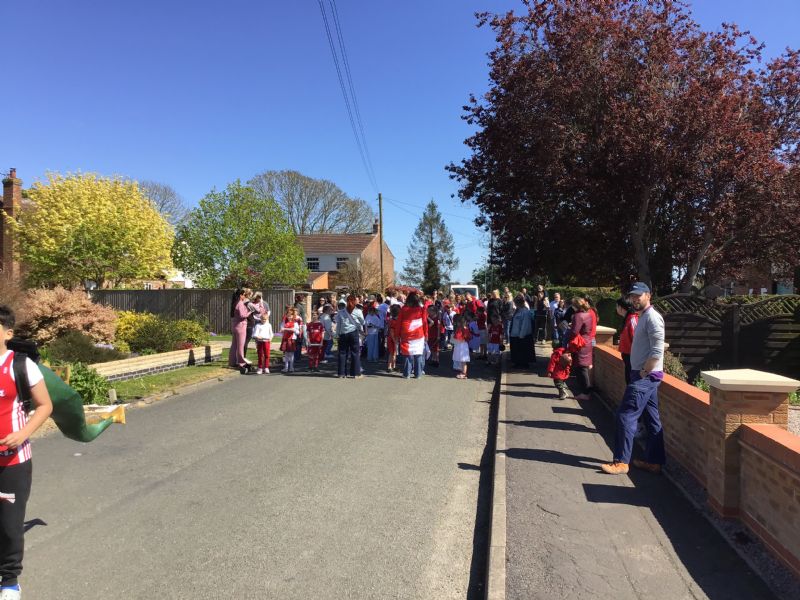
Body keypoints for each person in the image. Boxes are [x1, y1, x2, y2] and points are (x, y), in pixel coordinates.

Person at [0, 305, 54, 600]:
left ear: (8, 333)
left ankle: (9, 581)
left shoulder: (20, 365)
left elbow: (45, 405)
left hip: (13, 463)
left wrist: (22, 434)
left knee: (10, 525)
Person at [602, 282, 666, 475]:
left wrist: (644, 372)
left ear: (648, 295)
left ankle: (621, 462)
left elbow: (657, 350)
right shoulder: (643, 316)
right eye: (633, 296)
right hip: (646, 375)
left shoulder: (652, 318)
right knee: (652, 419)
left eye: (639, 295)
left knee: (625, 415)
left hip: (645, 376)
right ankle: (654, 462)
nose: (635, 299)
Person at [569, 297, 594, 400]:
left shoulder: (578, 316)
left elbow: (574, 332)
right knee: (583, 368)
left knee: (581, 369)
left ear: (575, 306)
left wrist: (570, 327)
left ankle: (585, 393)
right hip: (587, 342)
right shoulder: (588, 314)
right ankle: (585, 391)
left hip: (580, 344)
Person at [398, 292, 428, 379]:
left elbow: (399, 323)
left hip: (406, 333)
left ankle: (406, 373)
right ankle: (418, 374)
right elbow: (425, 323)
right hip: (419, 333)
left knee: (407, 353)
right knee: (418, 353)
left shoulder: (404, 309)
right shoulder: (421, 309)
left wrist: (397, 334)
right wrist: (426, 334)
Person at [335, 296, 365, 378]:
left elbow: (338, 324)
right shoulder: (358, 311)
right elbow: (363, 322)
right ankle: (356, 373)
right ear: (355, 301)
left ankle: (341, 373)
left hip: (343, 333)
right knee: (355, 353)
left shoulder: (341, 312)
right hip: (353, 333)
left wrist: (337, 334)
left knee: (342, 353)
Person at [229, 288, 253, 373]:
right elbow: (243, 315)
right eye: (243, 295)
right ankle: (241, 362)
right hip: (241, 326)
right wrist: (250, 312)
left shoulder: (234, 303)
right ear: (240, 295)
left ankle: (232, 362)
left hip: (235, 326)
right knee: (240, 346)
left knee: (234, 345)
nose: (244, 296)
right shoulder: (240, 303)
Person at [616, 297, 639, 384]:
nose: (616, 309)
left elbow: (636, 339)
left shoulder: (632, 319)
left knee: (631, 382)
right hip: (628, 357)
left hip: (632, 358)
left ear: (621, 307)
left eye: (617, 306)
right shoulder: (627, 319)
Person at [509, 295, 535, 368]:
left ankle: (523, 364)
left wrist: (521, 335)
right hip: (515, 334)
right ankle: (517, 363)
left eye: (515, 303)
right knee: (517, 351)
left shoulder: (525, 312)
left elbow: (525, 324)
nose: (515, 304)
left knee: (522, 351)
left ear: (519, 303)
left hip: (521, 335)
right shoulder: (517, 311)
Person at [280, 307, 300, 373]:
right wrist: (284, 330)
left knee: (291, 354)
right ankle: (286, 367)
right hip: (285, 339)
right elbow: (281, 330)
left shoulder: (295, 323)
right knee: (286, 354)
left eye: (291, 315)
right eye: (288, 315)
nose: (289, 317)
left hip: (292, 339)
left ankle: (291, 367)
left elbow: (297, 332)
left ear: (293, 316)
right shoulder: (284, 322)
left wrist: (293, 330)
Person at [452, 313, 472, 379]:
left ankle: (464, 373)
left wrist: (456, 335)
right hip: (463, 344)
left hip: (461, 345)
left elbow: (457, 337)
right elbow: (469, 337)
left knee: (463, 360)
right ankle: (463, 372)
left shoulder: (461, 329)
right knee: (462, 360)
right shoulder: (465, 328)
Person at [386, 304, 401, 372]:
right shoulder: (393, 321)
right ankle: (389, 366)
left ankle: (394, 366)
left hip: (394, 338)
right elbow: (391, 332)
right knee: (391, 353)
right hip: (392, 339)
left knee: (394, 353)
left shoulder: (394, 320)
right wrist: (395, 340)